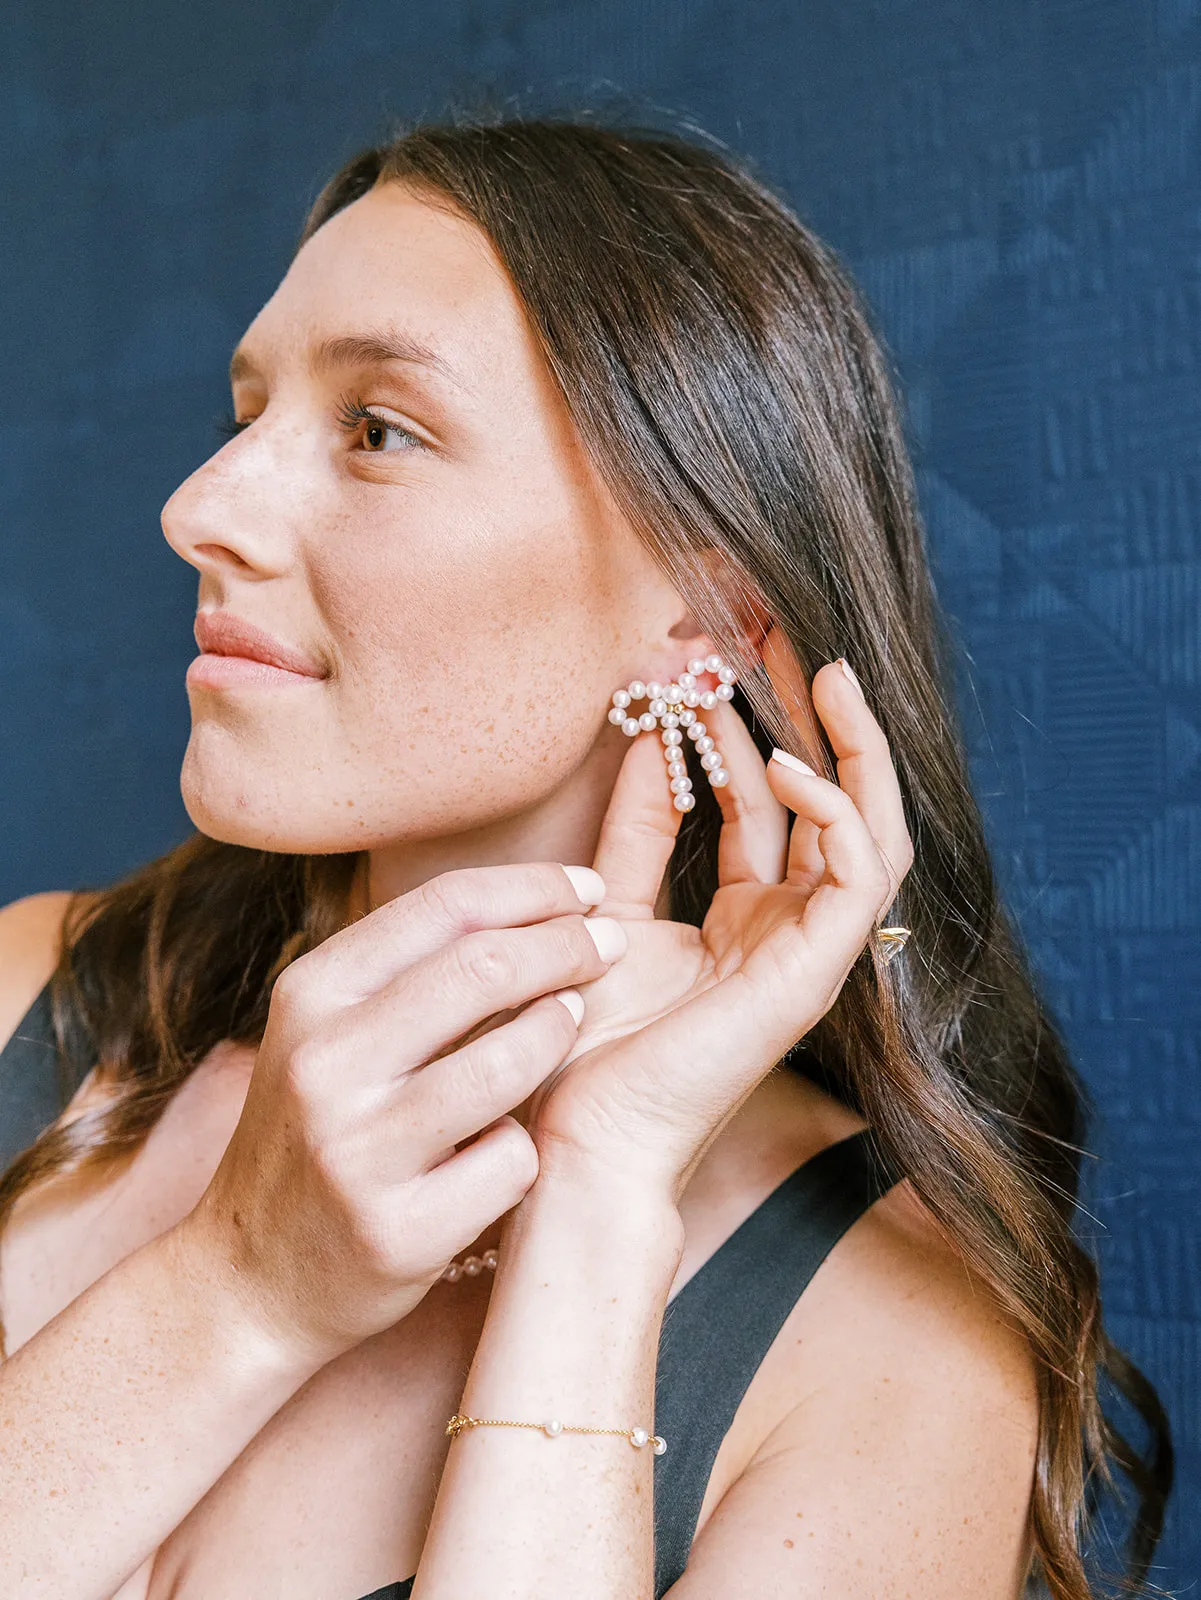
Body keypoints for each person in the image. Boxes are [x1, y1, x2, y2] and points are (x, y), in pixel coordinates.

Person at [0, 115, 1171, 1600]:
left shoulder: (893, 1357)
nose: (199, 508)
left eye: (377, 431)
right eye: (247, 412)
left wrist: (600, 1195)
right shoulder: (33, 998)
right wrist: (238, 1286)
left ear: (701, 618)